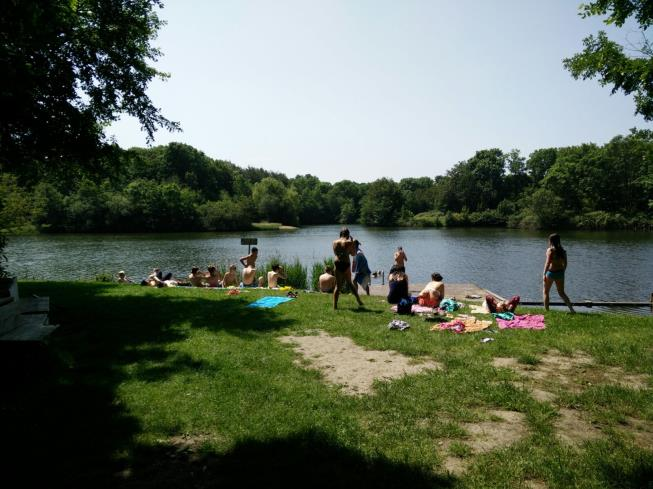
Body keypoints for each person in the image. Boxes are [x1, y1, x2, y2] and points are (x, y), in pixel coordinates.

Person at [332, 227, 363, 309]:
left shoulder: (334, 242)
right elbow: (353, 254)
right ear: (348, 234)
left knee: (338, 286)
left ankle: (335, 306)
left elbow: (335, 253)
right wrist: (352, 243)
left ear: (340, 233)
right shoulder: (349, 242)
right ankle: (359, 300)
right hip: (345, 263)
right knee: (350, 283)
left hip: (337, 263)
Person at [543, 233, 575, 313]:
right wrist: (562, 271)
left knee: (546, 292)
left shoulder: (550, 250)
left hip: (550, 273)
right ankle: (572, 310)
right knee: (562, 293)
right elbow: (565, 263)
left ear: (551, 241)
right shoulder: (563, 251)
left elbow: (547, 263)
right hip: (560, 273)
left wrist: (544, 274)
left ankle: (546, 310)